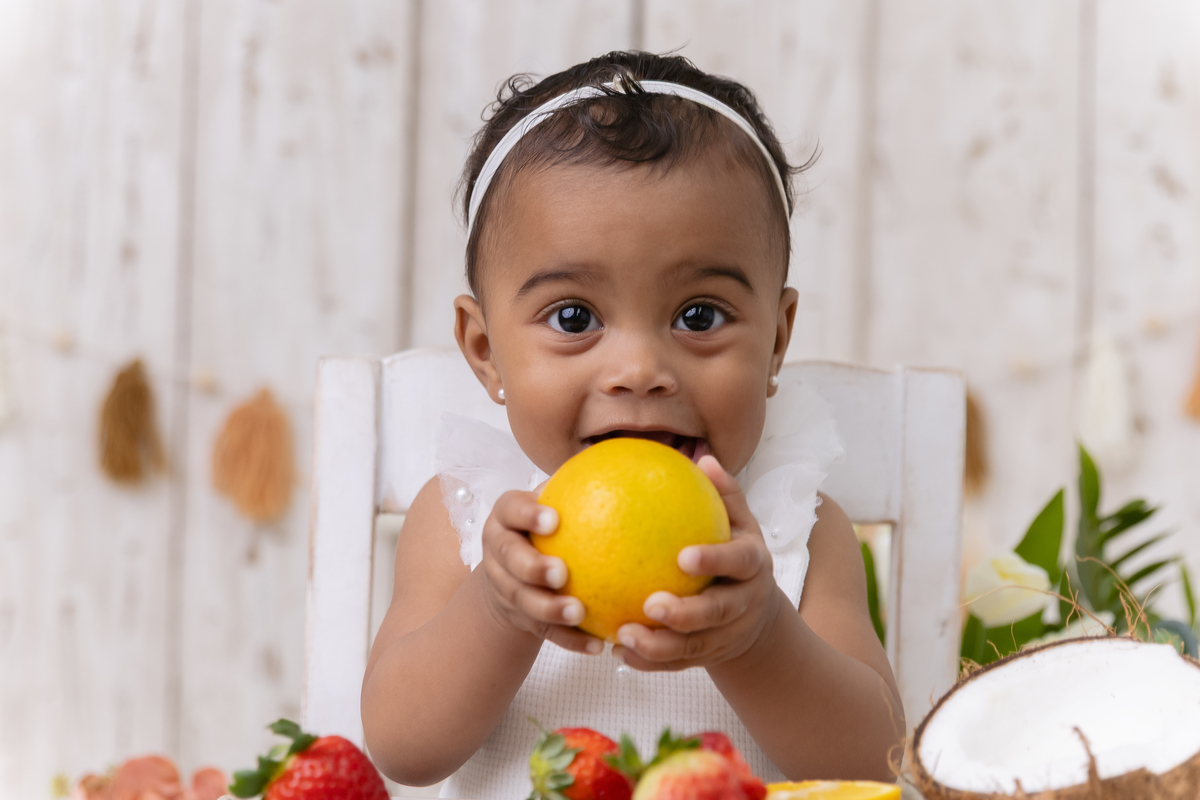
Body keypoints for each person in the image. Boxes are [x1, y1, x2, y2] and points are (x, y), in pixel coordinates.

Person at [361, 51, 903, 798]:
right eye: (574, 318)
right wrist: (496, 608)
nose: (639, 369)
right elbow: (401, 748)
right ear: (485, 351)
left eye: (699, 316)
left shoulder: (793, 529)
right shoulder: (467, 514)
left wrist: (759, 638)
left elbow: (881, 762)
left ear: (776, 341)